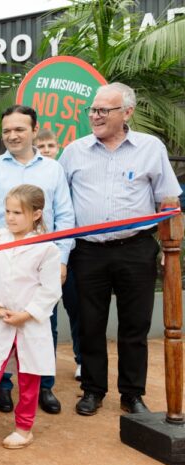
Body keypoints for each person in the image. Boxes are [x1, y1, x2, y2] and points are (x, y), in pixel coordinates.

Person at [60, 82, 182, 416]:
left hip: (136, 249)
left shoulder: (150, 148)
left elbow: (168, 201)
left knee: (135, 325)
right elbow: (59, 201)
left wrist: (168, 247)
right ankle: (93, 391)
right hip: (88, 251)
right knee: (90, 323)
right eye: (93, 110)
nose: (95, 117)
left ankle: (132, 394)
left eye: (103, 111)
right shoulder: (73, 151)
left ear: (126, 112)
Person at [0, 105, 75, 415]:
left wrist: (62, 258)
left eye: (19, 129)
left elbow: (65, 215)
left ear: (34, 130)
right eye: (7, 131)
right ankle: (3, 387)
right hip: (1, 260)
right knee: (0, 322)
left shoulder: (53, 169)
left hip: (41, 261)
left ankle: (43, 386)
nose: (12, 135)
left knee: (43, 322)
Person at [0, 184, 62, 451]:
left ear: (36, 214)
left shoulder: (47, 248)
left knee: (29, 374)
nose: (10, 217)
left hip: (30, 321)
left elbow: (50, 289)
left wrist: (26, 314)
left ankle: (24, 428)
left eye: (17, 212)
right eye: (7, 211)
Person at [36, 128, 83, 381]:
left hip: (70, 254)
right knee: (47, 316)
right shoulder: (37, 175)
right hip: (41, 258)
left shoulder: (67, 175)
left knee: (77, 309)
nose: (46, 151)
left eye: (50, 146)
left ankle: (81, 360)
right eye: (41, 146)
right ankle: (44, 373)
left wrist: (64, 255)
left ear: (58, 147)